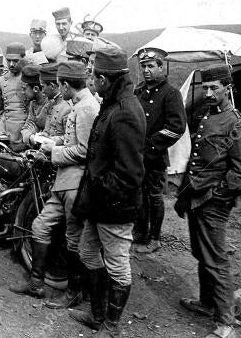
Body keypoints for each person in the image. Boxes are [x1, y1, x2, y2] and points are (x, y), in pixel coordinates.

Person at [70, 46, 146, 338]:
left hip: (114, 206)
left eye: (92, 73)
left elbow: (129, 174)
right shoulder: (114, 101)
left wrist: (102, 194)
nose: (89, 77)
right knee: (88, 252)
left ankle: (111, 327)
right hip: (100, 202)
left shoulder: (125, 111)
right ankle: (97, 314)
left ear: (104, 79)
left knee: (117, 265)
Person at [9, 62, 99, 311]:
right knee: (39, 226)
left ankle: (75, 292)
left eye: (60, 85)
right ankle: (36, 283)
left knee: (73, 239)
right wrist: (55, 140)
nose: (60, 90)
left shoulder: (86, 108)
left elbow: (84, 150)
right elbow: (73, 139)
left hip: (75, 182)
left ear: (66, 84)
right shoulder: (81, 105)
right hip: (64, 182)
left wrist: (53, 149)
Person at [175, 64, 241, 338]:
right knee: (201, 253)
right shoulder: (206, 115)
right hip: (197, 197)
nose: (208, 92)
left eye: (214, 88)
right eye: (205, 87)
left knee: (216, 260)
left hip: (213, 203)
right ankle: (207, 303)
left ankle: (225, 323)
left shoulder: (238, 124)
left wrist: (216, 195)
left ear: (227, 88)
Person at [133, 47, 186, 253]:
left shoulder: (170, 94)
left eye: (151, 66)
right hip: (136, 155)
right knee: (139, 194)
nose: (146, 70)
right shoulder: (139, 91)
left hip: (154, 155)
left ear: (161, 67)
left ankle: (155, 239)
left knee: (154, 197)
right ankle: (140, 232)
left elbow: (176, 128)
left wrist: (149, 145)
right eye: (143, 66)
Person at [0, 42, 28, 149]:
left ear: (23, 59)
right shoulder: (1, 81)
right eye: (8, 60)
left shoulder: (29, 80)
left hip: (24, 132)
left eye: (15, 61)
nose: (11, 64)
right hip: (5, 132)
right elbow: (1, 109)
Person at [19, 65, 58, 146]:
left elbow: (49, 132)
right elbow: (28, 125)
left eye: (24, 89)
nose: (22, 92)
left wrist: (33, 137)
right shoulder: (33, 104)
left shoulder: (52, 103)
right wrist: (30, 137)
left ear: (36, 89)